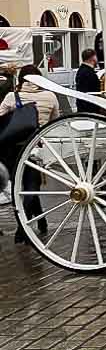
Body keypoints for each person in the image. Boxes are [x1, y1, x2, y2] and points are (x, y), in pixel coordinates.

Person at [0, 65, 60, 243]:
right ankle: (29, 225)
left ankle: (30, 224)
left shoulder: (12, 96)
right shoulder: (50, 97)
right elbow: (55, 121)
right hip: (35, 147)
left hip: (12, 149)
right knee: (31, 186)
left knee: (21, 187)